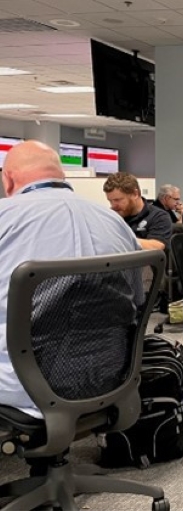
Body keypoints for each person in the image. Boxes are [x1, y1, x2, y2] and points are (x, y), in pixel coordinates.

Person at [0, 141, 140, 417]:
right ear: (61, 174)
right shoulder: (115, 222)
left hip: (24, 379)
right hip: (111, 371)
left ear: (8, 179)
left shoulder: (5, 218)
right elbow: (137, 298)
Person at [104, 172, 172, 250]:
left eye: (118, 200)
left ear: (135, 194)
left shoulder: (159, 216)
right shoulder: (112, 216)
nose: (113, 205)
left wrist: (119, 240)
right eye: (110, 201)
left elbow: (156, 246)